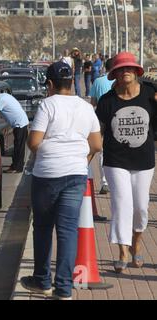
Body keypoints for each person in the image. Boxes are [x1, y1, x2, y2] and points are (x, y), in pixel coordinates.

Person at [20, 61, 102, 300]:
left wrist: (49, 151)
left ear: (50, 84)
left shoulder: (48, 104)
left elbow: (34, 142)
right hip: (76, 174)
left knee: (44, 228)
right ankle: (64, 289)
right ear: (71, 81)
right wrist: (79, 158)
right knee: (67, 231)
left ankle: (42, 280)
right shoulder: (86, 108)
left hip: (47, 175)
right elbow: (96, 144)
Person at [95, 52, 157, 274]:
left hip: (144, 161)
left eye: (129, 68)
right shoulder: (107, 101)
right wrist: (87, 155)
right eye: (120, 69)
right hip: (115, 161)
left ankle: (136, 243)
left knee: (140, 207)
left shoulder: (150, 94)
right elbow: (98, 132)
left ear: (137, 71)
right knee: (122, 205)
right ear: (114, 75)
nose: (125, 72)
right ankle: (122, 251)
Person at [0, 91, 29, 173]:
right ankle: (17, 164)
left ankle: (16, 167)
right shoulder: (3, 95)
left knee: (18, 147)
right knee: (19, 146)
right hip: (21, 122)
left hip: (19, 124)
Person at [90, 58, 115, 200]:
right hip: (119, 118)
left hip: (100, 119)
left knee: (101, 150)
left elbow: (93, 102)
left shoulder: (98, 81)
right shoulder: (120, 81)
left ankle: (104, 182)